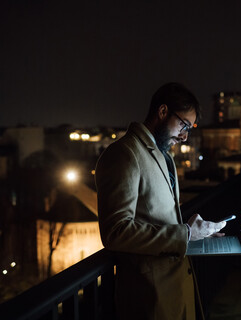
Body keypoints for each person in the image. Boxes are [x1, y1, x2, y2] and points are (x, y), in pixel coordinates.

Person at [95, 82, 226, 320]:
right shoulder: (124, 154)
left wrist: (196, 233)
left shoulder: (164, 156)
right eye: (183, 125)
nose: (185, 136)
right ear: (163, 112)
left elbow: (158, 216)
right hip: (150, 297)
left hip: (173, 289)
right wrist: (184, 234)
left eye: (190, 128)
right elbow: (116, 231)